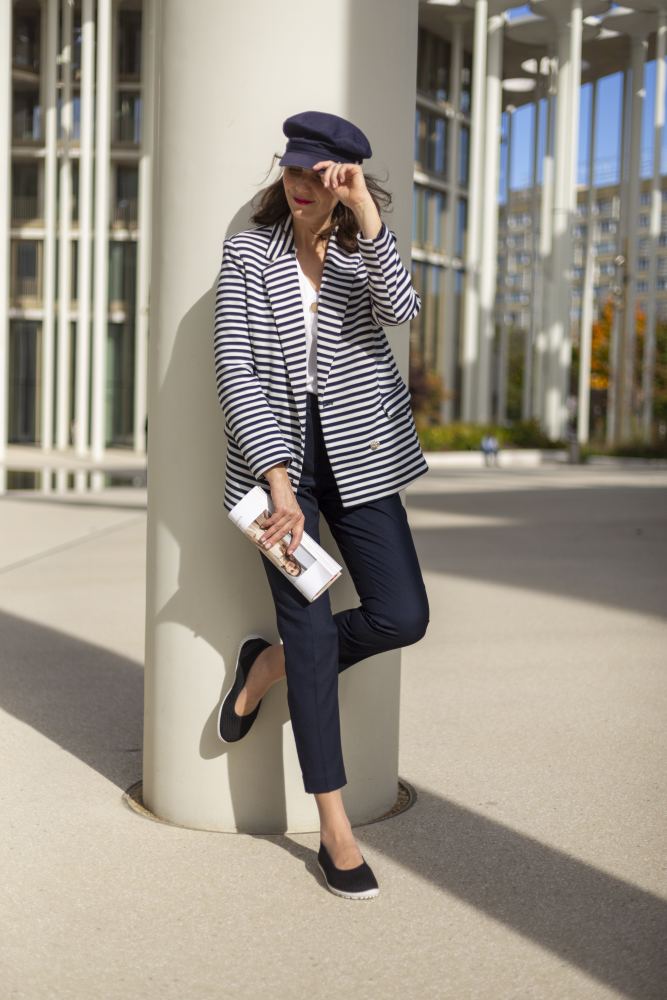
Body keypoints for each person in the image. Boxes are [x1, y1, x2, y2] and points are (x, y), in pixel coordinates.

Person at [214, 110, 430, 900]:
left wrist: (365, 217)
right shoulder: (247, 250)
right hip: (278, 462)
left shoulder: (356, 245)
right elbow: (235, 367)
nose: (300, 187)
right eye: (293, 170)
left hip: (361, 452)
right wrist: (276, 483)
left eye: (319, 175)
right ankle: (333, 828)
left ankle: (265, 665)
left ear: (343, 179)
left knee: (402, 613)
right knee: (310, 627)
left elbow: (401, 311)